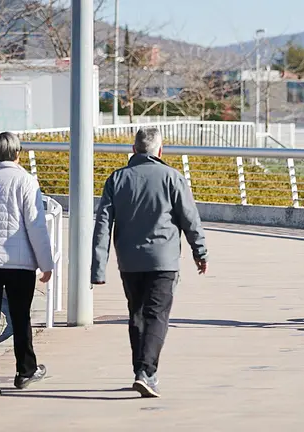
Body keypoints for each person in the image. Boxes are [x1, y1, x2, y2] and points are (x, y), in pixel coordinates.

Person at [91, 127, 208, 398]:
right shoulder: (172, 177)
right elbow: (190, 219)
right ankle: (146, 372)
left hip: (129, 261)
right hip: (164, 260)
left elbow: (102, 225)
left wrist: (98, 266)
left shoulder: (117, 179)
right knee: (157, 316)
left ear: (134, 149)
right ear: (160, 150)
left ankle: (141, 371)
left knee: (137, 315)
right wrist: (199, 252)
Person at [0, 131, 54, 397]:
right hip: (19, 262)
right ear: (18, 153)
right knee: (20, 316)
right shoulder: (27, 181)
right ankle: (25, 371)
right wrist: (46, 263)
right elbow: (36, 226)